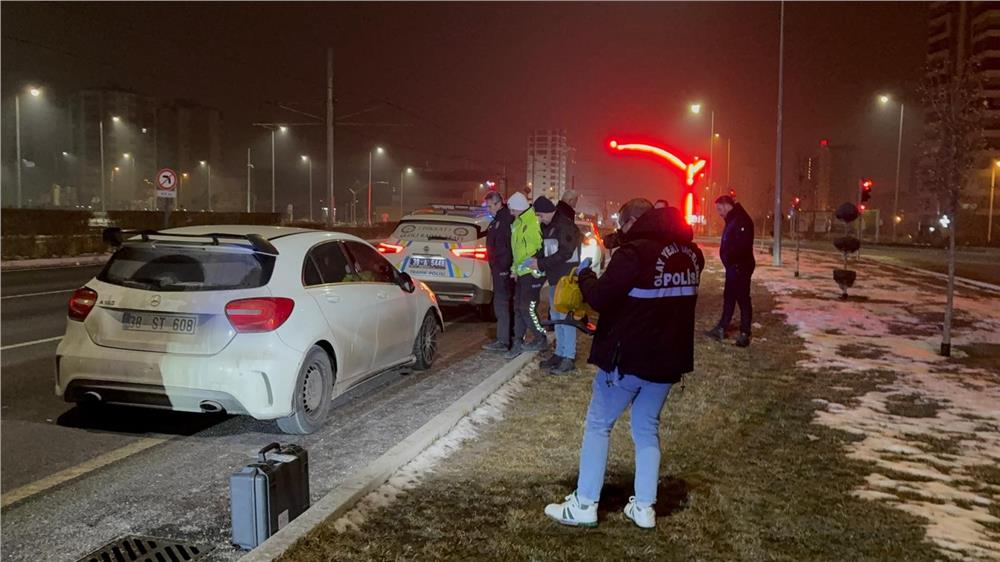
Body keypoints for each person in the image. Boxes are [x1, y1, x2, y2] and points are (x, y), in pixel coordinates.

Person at [544, 199, 705, 529]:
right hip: (667, 361)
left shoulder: (635, 254)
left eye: (621, 223)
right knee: (646, 428)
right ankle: (644, 507)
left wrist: (586, 277)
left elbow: (602, 297)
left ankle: (584, 503)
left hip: (627, 358)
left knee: (598, 424)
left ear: (633, 221)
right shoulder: (691, 254)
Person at [531, 193, 582, 374]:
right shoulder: (550, 226)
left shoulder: (564, 226)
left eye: (540, 215)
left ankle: (569, 356)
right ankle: (560, 353)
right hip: (556, 280)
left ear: (548, 211)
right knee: (557, 318)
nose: (539, 218)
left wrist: (541, 263)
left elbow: (565, 253)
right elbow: (546, 250)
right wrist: (535, 259)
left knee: (566, 319)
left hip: (566, 280)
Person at [705, 194, 755, 347]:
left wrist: (729, 257)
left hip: (740, 267)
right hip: (734, 267)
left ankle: (744, 333)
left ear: (727, 205)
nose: (719, 213)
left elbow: (742, 246)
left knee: (742, 299)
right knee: (729, 297)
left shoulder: (741, 220)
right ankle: (722, 327)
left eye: (720, 209)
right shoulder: (734, 219)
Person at [507, 191, 547, 359]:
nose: (511, 213)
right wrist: (515, 270)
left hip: (532, 272)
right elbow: (517, 251)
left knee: (527, 308)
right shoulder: (518, 222)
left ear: (518, 207)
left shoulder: (532, 222)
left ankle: (540, 337)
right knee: (518, 308)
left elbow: (539, 247)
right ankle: (518, 341)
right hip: (522, 272)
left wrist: (533, 262)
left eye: (512, 209)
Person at [482, 191, 515, 352]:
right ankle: (505, 338)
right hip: (500, 268)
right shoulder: (499, 220)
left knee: (502, 305)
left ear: (497, 203)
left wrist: (502, 268)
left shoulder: (504, 220)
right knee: (501, 304)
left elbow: (505, 248)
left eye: (489, 206)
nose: (488, 209)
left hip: (502, 270)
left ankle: (504, 340)